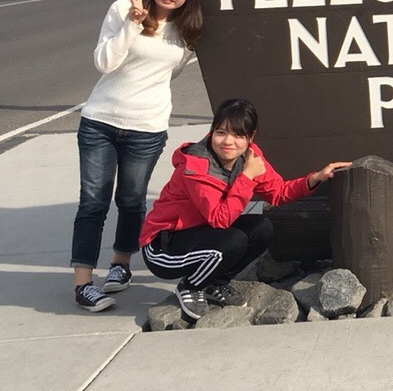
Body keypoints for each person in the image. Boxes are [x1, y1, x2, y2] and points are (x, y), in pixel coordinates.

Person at [139, 98, 352, 324]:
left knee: (261, 228)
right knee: (233, 240)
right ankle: (191, 286)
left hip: (202, 233)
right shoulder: (197, 167)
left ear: (250, 138)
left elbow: (277, 192)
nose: (228, 141)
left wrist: (315, 178)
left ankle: (215, 283)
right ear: (212, 132)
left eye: (238, 135)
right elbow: (220, 220)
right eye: (221, 132)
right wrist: (247, 177)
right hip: (164, 247)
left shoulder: (249, 156)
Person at [70, 0, 204, 312]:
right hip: (100, 121)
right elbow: (104, 63)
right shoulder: (121, 9)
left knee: (131, 201)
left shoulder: (186, 32)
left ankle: (120, 265)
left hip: (147, 126)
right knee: (92, 202)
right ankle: (83, 284)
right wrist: (132, 25)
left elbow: (168, 75)